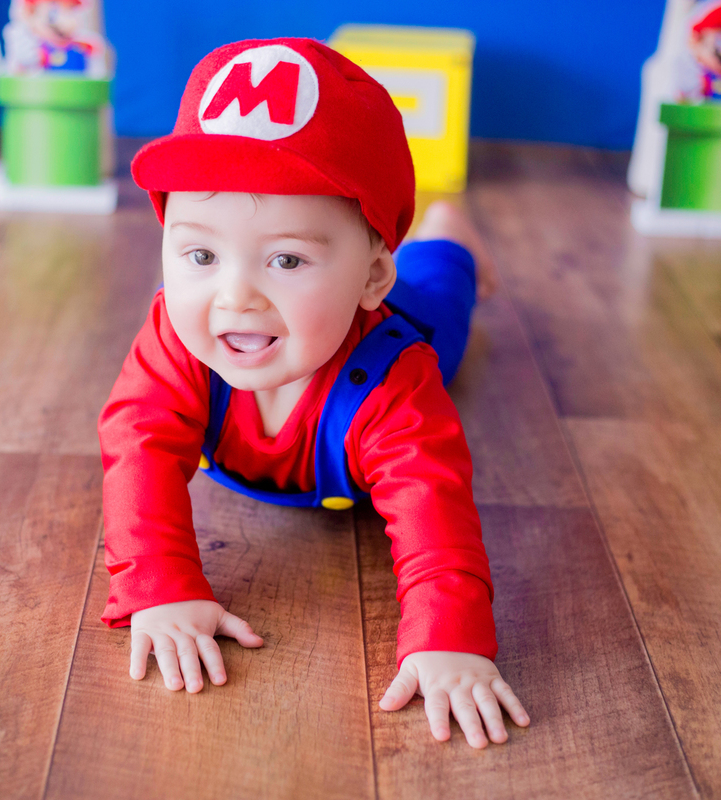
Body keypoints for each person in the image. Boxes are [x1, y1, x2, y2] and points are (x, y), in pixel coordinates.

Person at [98, 37, 528, 748]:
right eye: (201, 254)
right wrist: (161, 587)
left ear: (370, 276)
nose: (235, 296)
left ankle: (448, 236)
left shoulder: (397, 379)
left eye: (287, 259)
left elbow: (432, 502)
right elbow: (136, 443)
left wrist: (450, 638)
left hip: (405, 316)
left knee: (445, 293)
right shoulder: (176, 336)